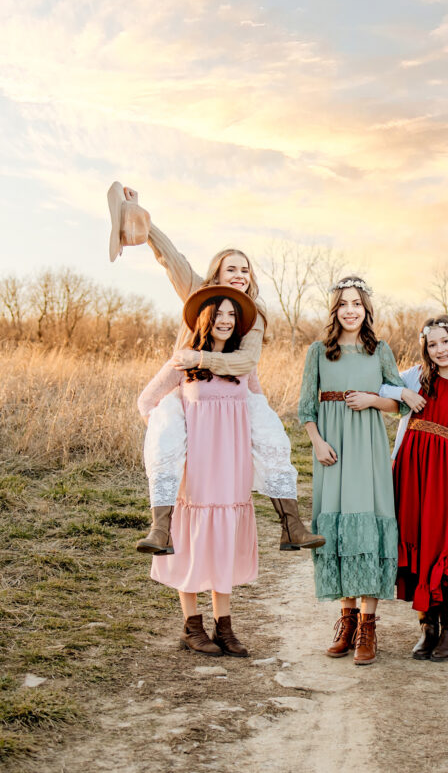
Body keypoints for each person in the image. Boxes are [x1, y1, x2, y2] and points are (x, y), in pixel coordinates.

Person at [106, 182, 324, 554]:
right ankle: (161, 529)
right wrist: (144, 220)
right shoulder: (196, 291)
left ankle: (292, 526)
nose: (240, 274)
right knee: (164, 432)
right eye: (232, 268)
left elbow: (245, 362)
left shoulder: (254, 314)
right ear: (217, 274)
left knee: (273, 438)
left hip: (238, 386)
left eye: (245, 269)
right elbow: (170, 258)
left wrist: (201, 358)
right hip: (187, 383)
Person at [136, 286, 260, 657]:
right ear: (205, 319)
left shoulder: (243, 365)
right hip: (196, 467)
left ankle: (225, 627)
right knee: (191, 540)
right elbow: (146, 401)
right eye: (219, 314)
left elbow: (258, 408)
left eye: (232, 316)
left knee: (223, 541)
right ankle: (192, 626)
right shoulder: (184, 362)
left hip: (233, 465)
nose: (225, 321)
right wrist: (169, 438)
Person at [298, 276, 408, 666]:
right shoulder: (318, 352)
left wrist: (373, 400)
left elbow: (401, 403)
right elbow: (305, 408)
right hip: (332, 450)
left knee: (369, 525)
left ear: (366, 310)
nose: (350, 310)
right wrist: (317, 441)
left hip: (368, 448)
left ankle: (368, 626)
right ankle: (345, 621)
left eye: (357, 304)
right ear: (335, 310)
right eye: (343, 303)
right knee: (337, 527)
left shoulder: (380, 351)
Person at [381, 315, 448, 662]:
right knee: (416, 539)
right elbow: (381, 387)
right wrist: (403, 392)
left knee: (442, 542)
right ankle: (427, 627)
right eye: (432, 344)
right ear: (425, 347)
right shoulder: (414, 376)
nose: (439, 349)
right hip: (409, 470)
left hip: (443, 473)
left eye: (445, 342)